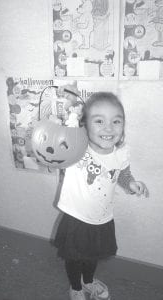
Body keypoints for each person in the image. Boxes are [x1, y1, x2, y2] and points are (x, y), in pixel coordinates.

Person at [53, 91, 149, 300]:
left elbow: (123, 173)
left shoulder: (121, 152)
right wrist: (71, 114)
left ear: (123, 126)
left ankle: (88, 281)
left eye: (116, 121)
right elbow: (58, 142)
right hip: (77, 218)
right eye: (99, 121)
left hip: (102, 218)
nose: (108, 128)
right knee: (74, 257)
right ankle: (75, 287)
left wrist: (131, 183)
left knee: (91, 256)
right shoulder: (79, 146)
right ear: (85, 125)